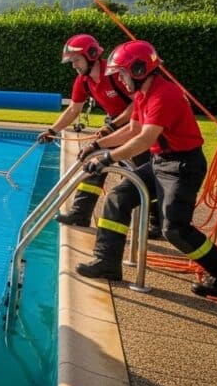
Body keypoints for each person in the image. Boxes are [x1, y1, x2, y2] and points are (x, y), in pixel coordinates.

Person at [76, 40, 217, 297]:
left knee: (175, 229)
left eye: (121, 73)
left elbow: (145, 139)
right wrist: (96, 144)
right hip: (161, 162)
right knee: (118, 198)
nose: (120, 79)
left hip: (182, 166)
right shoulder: (143, 94)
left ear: (139, 70)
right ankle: (107, 262)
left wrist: (106, 158)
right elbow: (131, 130)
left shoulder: (164, 94)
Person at [38, 34, 162, 235]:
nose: (74, 65)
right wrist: (53, 131)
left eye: (76, 60)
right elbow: (73, 110)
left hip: (138, 123)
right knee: (94, 161)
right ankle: (80, 213)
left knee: (145, 170)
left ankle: (157, 223)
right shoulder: (83, 80)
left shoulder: (115, 73)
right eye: (71, 61)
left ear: (92, 55)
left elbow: (137, 103)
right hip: (115, 123)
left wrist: (113, 125)